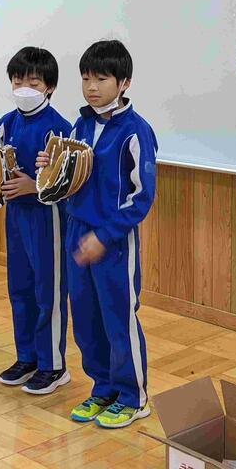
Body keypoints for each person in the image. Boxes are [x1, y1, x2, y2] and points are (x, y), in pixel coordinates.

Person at [37, 39, 157, 428]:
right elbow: (70, 177)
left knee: (118, 319)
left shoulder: (136, 132)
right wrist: (50, 167)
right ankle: (102, 388)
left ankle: (133, 396)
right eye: (86, 78)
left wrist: (105, 236)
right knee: (86, 320)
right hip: (77, 232)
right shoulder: (81, 125)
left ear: (124, 82)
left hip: (114, 242)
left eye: (101, 79)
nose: (91, 87)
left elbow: (142, 197)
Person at [0, 47, 73, 395]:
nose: (24, 88)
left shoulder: (61, 129)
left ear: (49, 87)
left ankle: (53, 364)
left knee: (48, 292)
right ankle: (26, 357)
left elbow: (69, 182)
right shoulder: (5, 124)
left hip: (48, 217)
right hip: (16, 218)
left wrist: (34, 186)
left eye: (34, 82)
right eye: (18, 81)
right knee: (20, 288)